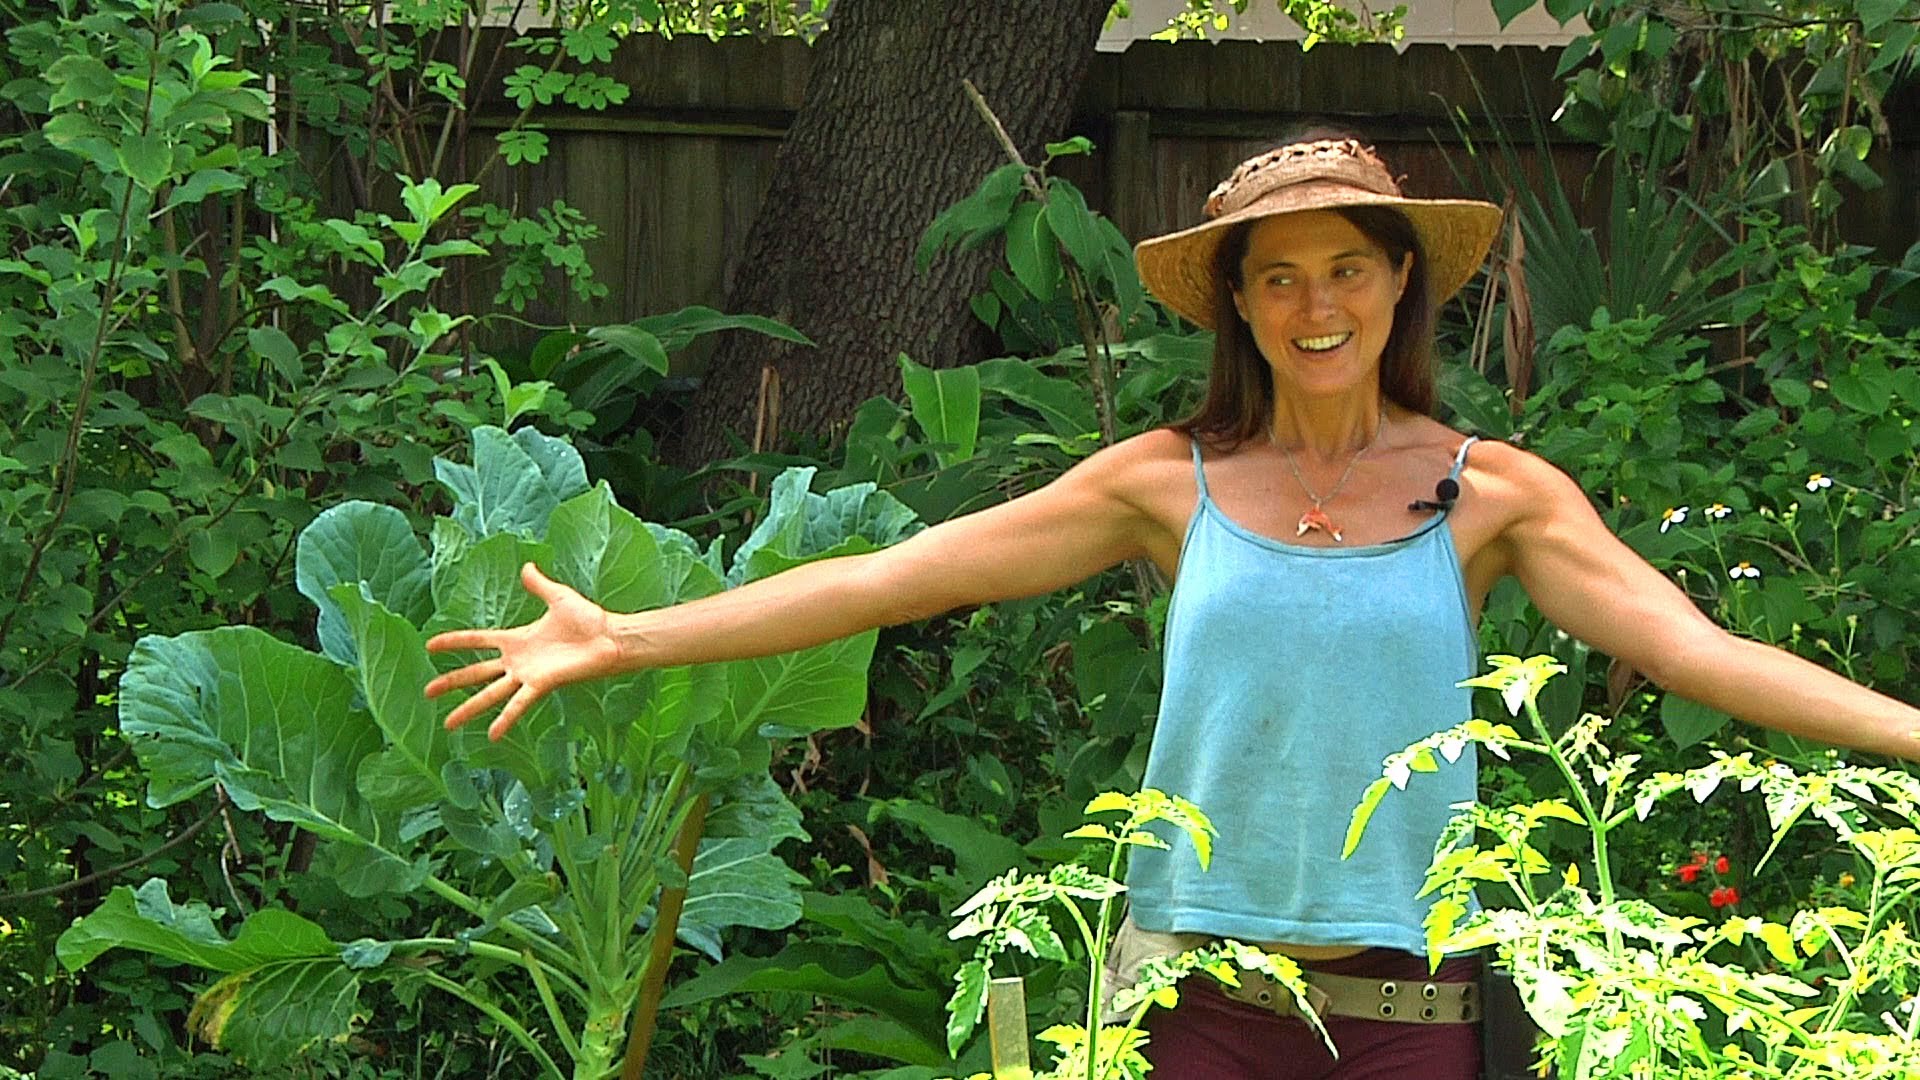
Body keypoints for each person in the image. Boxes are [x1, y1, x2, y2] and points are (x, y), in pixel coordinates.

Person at [424, 134, 1920, 1079]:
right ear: (1240, 305)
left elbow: (1702, 653)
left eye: (1348, 267)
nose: (1316, 304)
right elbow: (889, 577)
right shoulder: (1165, 484)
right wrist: (625, 636)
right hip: (1198, 1007)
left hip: (1423, 1018)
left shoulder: (1494, 495)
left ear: (1400, 285)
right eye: (1280, 278)